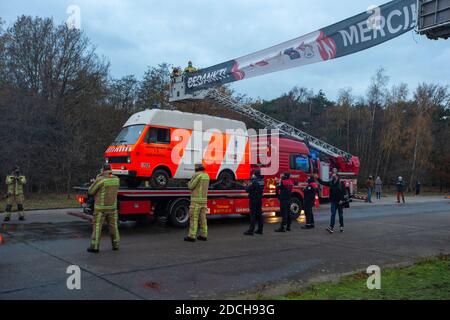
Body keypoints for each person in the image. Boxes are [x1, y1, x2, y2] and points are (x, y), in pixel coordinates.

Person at [87, 163, 121, 253]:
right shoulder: (116, 179)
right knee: (113, 226)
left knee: (97, 226)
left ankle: (94, 247)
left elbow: (90, 191)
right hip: (112, 207)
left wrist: (96, 179)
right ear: (110, 169)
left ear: (102, 169)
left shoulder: (100, 180)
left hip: (100, 208)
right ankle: (116, 245)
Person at [185, 164, 210, 242]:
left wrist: (188, 183)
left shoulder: (197, 175)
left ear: (196, 169)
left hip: (196, 201)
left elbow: (191, 186)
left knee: (194, 218)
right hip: (204, 200)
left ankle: (191, 236)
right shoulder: (206, 176)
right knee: (203, 218)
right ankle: (204, 235)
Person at [244, 170, 265, 236]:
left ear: (256, 175)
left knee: (253, 215)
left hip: (253, 200)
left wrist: (245, 186)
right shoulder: (262, 181)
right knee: (259, 215)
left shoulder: (254, 182)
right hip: (259, 200)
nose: (253, 175)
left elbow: (248, 190)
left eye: (254, 174)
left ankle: (251, 230)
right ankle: (260, 229)